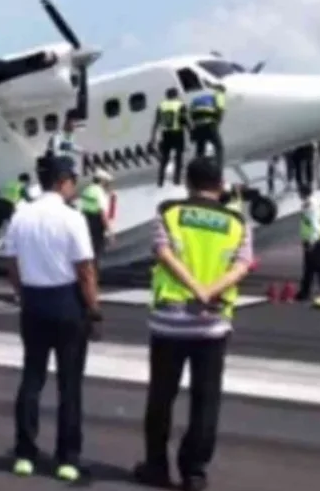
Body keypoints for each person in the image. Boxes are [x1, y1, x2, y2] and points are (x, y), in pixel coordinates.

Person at [133, 157, 254, 491]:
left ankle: (156, 466)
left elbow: (162, 252)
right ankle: (194, 471)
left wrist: (193, 288)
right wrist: (209, 291)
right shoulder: (237, 222)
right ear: (219, 184)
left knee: (161, 396)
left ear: (187, 182)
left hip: (169, 320)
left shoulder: (169, 211)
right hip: (212, 323)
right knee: (206, 399)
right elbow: (243, 265)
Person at [0, 156, 100, 484]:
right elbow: (85, 269)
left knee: (32, 379)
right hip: (66, 302)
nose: (74, 186)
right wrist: (94, 307)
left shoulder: (21, 214)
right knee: (70, 384)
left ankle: (25, 454)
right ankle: (67, 459)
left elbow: (11, 263)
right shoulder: (72, 217)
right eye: (72, 179)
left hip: (34, 302)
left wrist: (22, 293)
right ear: (62, 181)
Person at [296, 186, 320, 301]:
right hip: (314, 238)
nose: (298, 194)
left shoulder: (311, 205)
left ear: (303, 193)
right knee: (310, 267)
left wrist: (312, 241)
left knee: (317, 266)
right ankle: (305, 292)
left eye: (299, 192)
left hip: (315, 238)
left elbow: (314, 223)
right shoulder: (310, 203)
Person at [0, 173, 30, 265]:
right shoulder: (22, 186)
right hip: (8, 206)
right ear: (26, 181)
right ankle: (12, 252)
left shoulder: (9, 184)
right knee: (12, 229)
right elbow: (28, 199)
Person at [151, 88, 188, 187]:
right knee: (179, 157)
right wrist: (190, 130)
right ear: (176, 95)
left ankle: (160, 181)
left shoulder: (161, 106)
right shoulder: (180, 105)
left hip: (166, 134)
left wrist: (153, 137)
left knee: (164, 158)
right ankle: (176, 179)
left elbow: (156, 123)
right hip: (178, 133)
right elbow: (184, 119)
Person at [80, 169, 115, 266]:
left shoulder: (87, 190)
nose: (108, 185)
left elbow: (82, 208)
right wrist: (110, 232)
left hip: (85, 223)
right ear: (102, 181)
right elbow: (103, 214)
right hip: (96, 226)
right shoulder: (99, 192)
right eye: (106, 182)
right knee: (96, 254)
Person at [188, 86, 226, 165]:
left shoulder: (197, 99)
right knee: (219, 147)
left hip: (198, 126)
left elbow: (191, 114)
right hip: (209, 125)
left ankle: (198, 170)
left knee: (200, 149)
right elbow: (220, 110)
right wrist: (217, 124)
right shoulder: (219, 94)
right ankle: (218, 168)